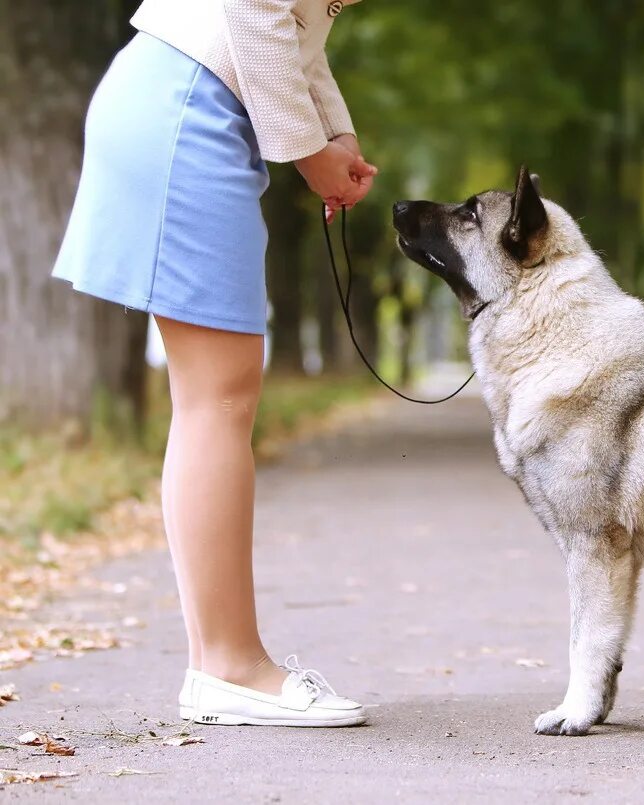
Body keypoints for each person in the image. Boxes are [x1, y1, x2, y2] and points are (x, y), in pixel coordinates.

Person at [52, 0, 374, 727]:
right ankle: (230, 666)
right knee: (218, 399)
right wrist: (311, 152)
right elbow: (254, 6)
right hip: (188, 104)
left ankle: (219, 663)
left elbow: (297, 33)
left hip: (187, 99)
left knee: (214, 398)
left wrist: (336, 134)